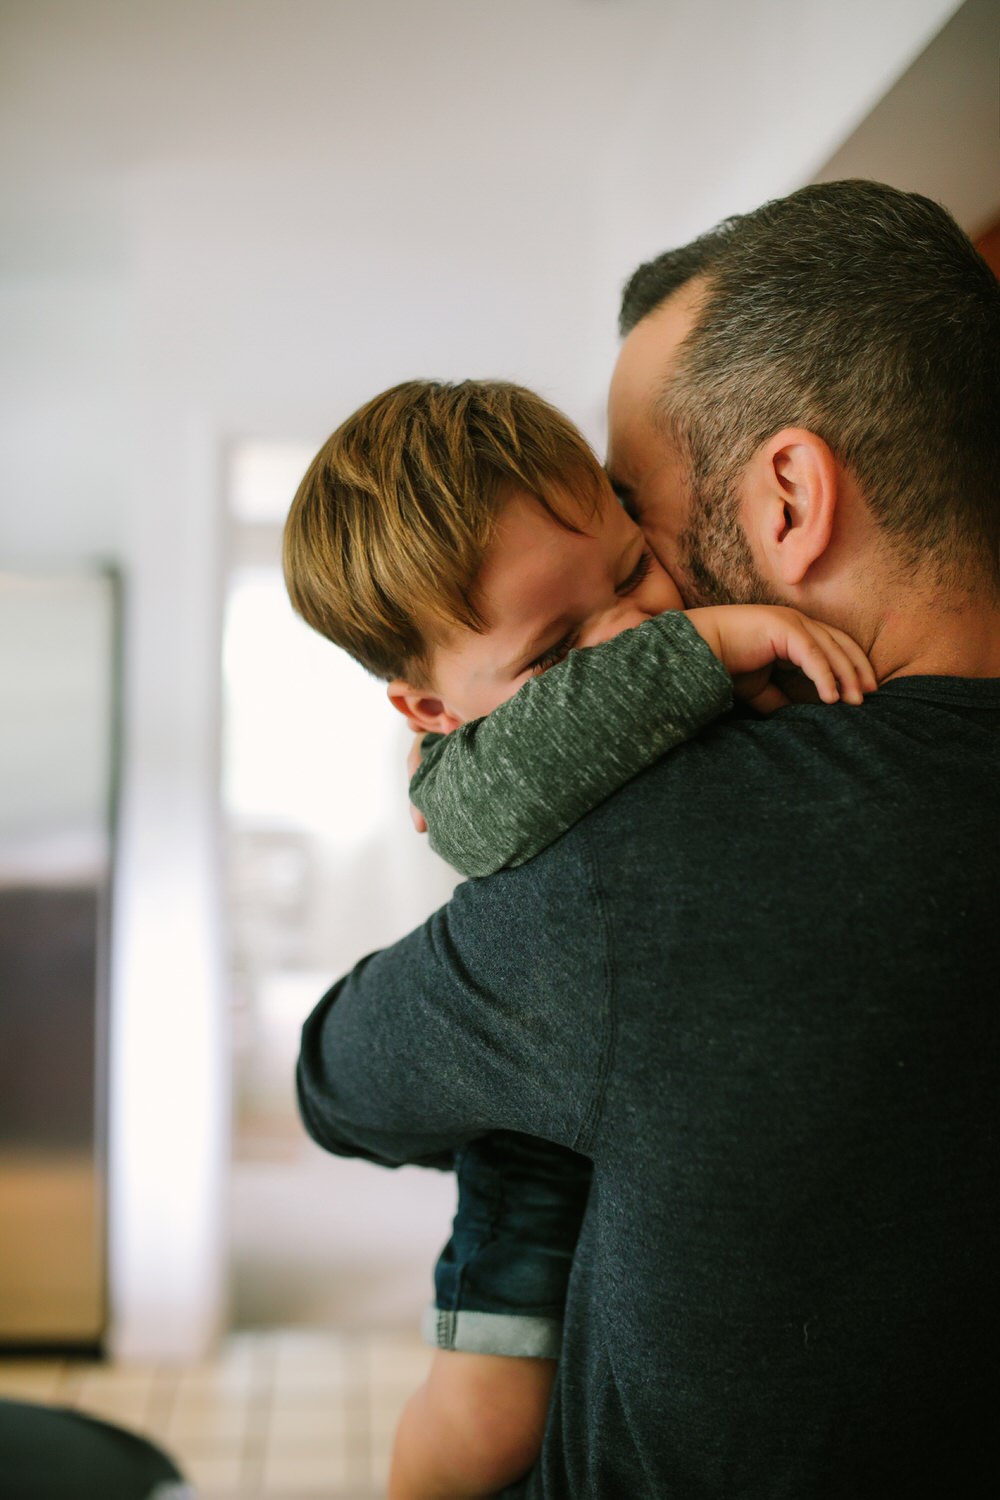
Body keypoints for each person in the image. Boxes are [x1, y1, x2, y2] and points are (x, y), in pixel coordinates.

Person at [292, 180, 1000, 1497]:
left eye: (639, 517)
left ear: (788, 496)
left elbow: (338, 1083)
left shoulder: (643, 865)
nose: (641, 623)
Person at [284, 380, 872, 1499]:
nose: (633, 633)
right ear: (431, 712)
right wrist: (714, 645)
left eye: (629, 572)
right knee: (488, 1416)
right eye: (557, 654)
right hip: (533, 1152)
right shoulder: (472, 775)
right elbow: (497, 806)